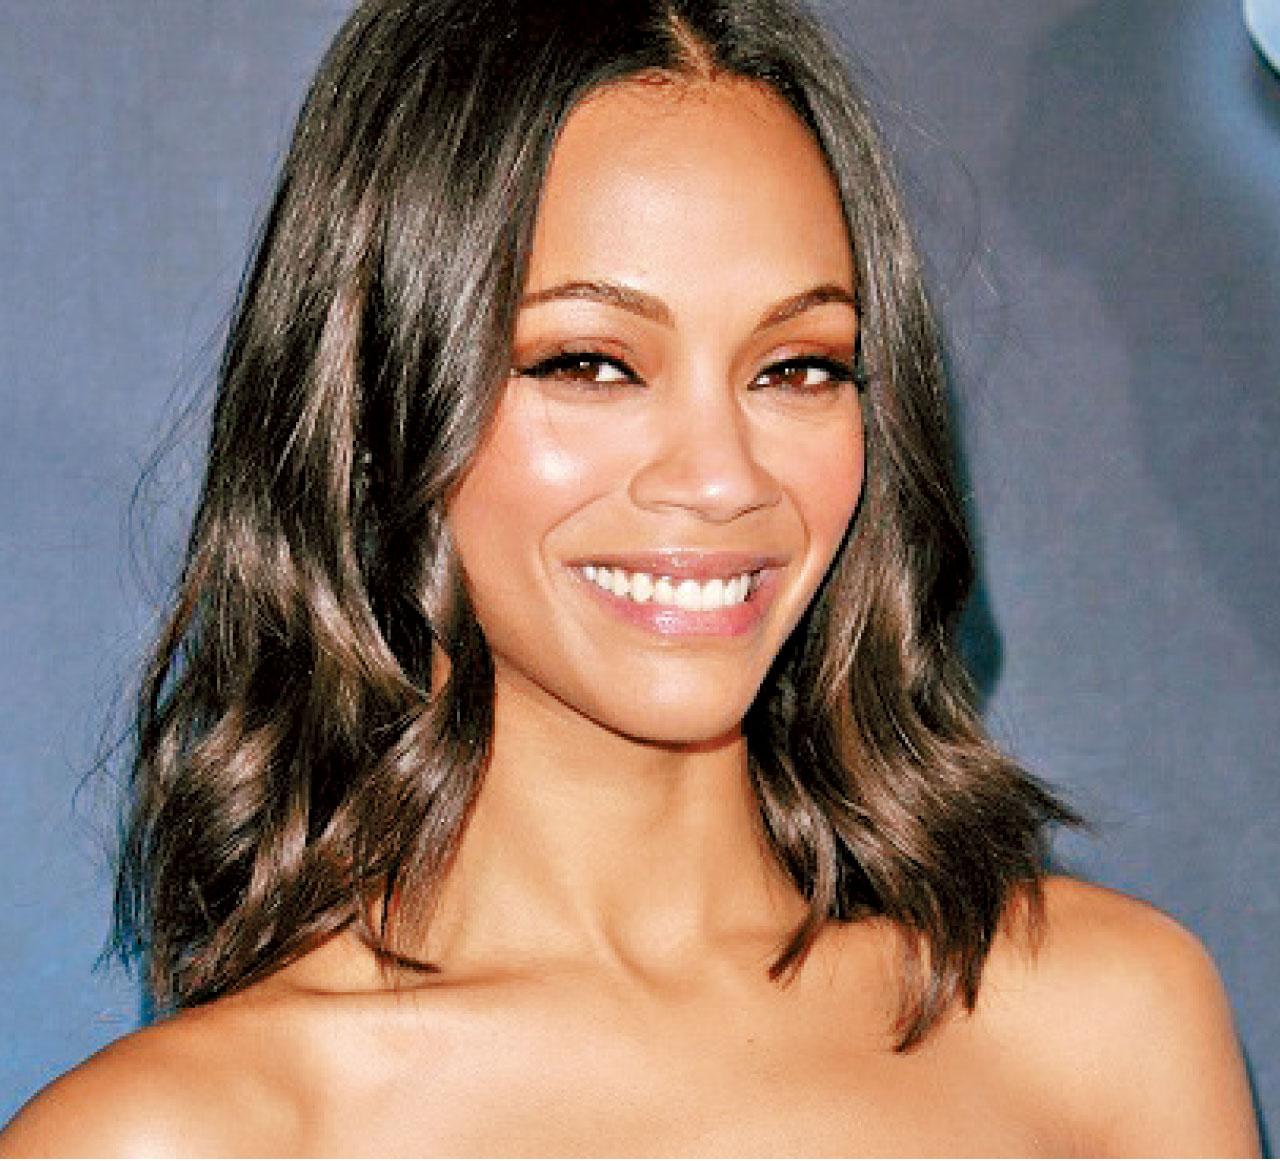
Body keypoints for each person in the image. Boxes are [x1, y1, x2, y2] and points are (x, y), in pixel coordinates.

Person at [0, 0, 1259, 1154]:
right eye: (589, 363)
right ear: (380, 400)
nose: (721, 478)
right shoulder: (180, 1139)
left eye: (797, 367)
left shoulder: (1102, 1025)